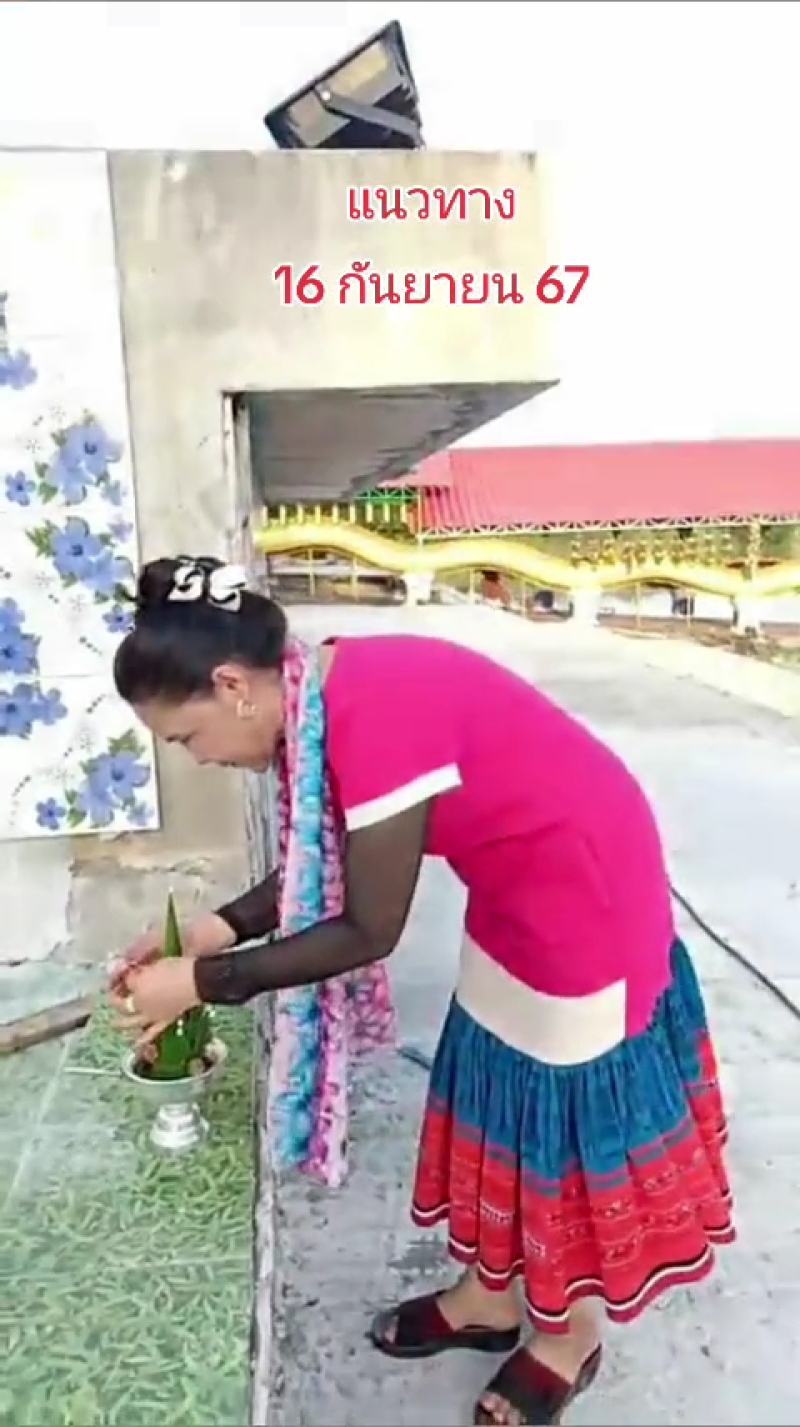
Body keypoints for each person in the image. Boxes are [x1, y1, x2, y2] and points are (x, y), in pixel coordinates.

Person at [111, 554, 734, 1427]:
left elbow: (368, 927)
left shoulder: (373, 717)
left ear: (232, 686)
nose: (200, 757)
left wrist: (204, 982)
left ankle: (568, 1336)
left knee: (558, 1128)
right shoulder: (318, 692)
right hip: (514, 886)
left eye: (186, 737)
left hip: (584, 893)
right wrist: (219, 927)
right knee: (491, 1086)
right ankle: (489, 1298)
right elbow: (332, 858)